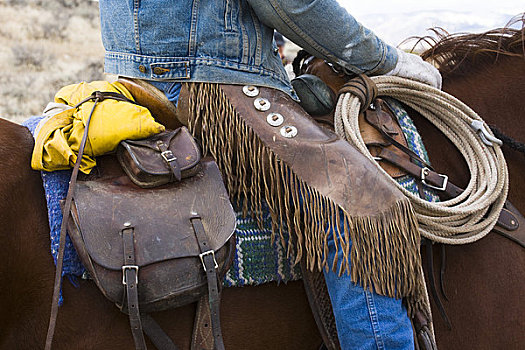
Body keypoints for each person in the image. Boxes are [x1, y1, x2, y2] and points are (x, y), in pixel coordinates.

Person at [99, 1, 441, 348]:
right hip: (214, 88)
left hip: (134, 83)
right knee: (362, 210)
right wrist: (388, 61)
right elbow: (290, 5)